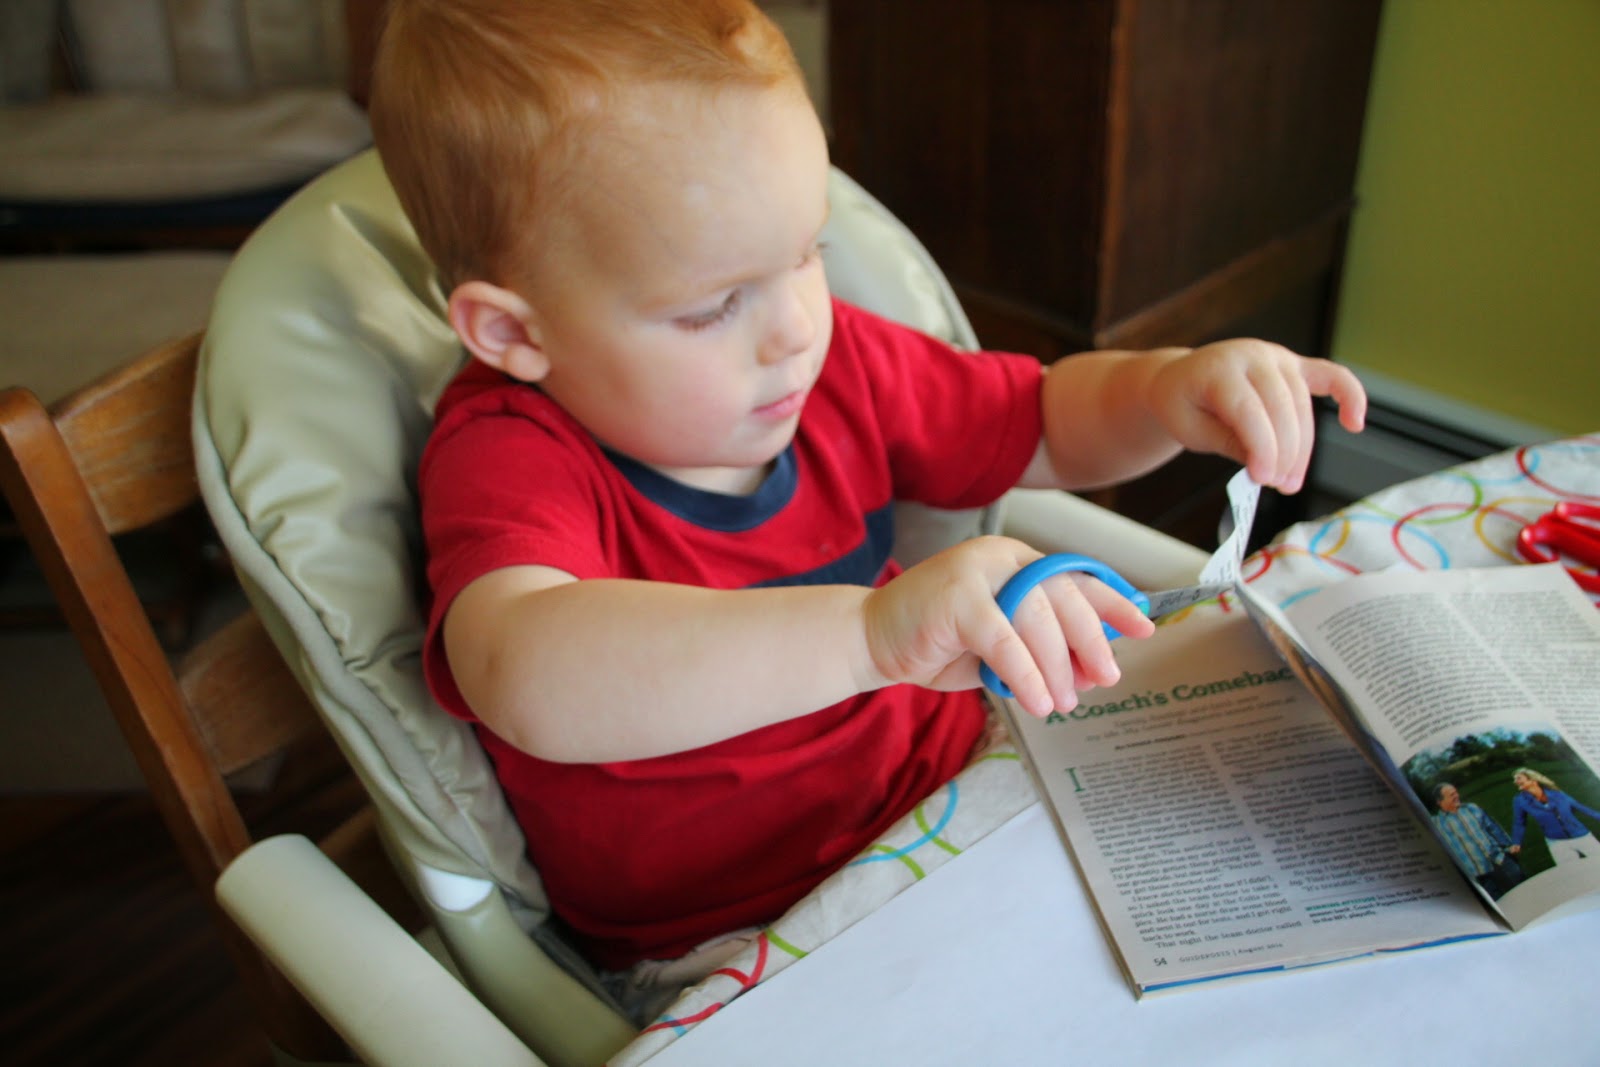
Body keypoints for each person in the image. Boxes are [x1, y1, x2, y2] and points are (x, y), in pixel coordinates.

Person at [367, 0, 1368, 995]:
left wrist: (1162, 389)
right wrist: (868, 637)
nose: (796, 328)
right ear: (515, 333)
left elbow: (1041, 418)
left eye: (807, 253)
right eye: (714, 306)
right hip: (738, 932)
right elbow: (525, 670)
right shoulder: (511, 452)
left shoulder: (833, 361)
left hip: (954, 789)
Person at [1431, 782, 1523, 897]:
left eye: (1456, 792)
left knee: (1523, 887)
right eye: (1451, 795)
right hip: (1477, 873)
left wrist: (1509, 846)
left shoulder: (1472, 808)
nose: (1457, 796)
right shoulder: (1436, 824)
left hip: (1499, 859)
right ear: (1439, 802)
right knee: (1498, 902)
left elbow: (1493, 827)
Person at [1509, 768, 1600, 866]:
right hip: (1556, 843)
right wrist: (1516, 842)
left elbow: (1581, 808)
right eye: (1515, 779)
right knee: (1571, 872)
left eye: (1518, 778)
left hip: (1582, 836)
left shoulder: (1557, 793)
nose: (1515, 782)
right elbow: (1519, 823)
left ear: (1533, 780)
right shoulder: (1520, 801)